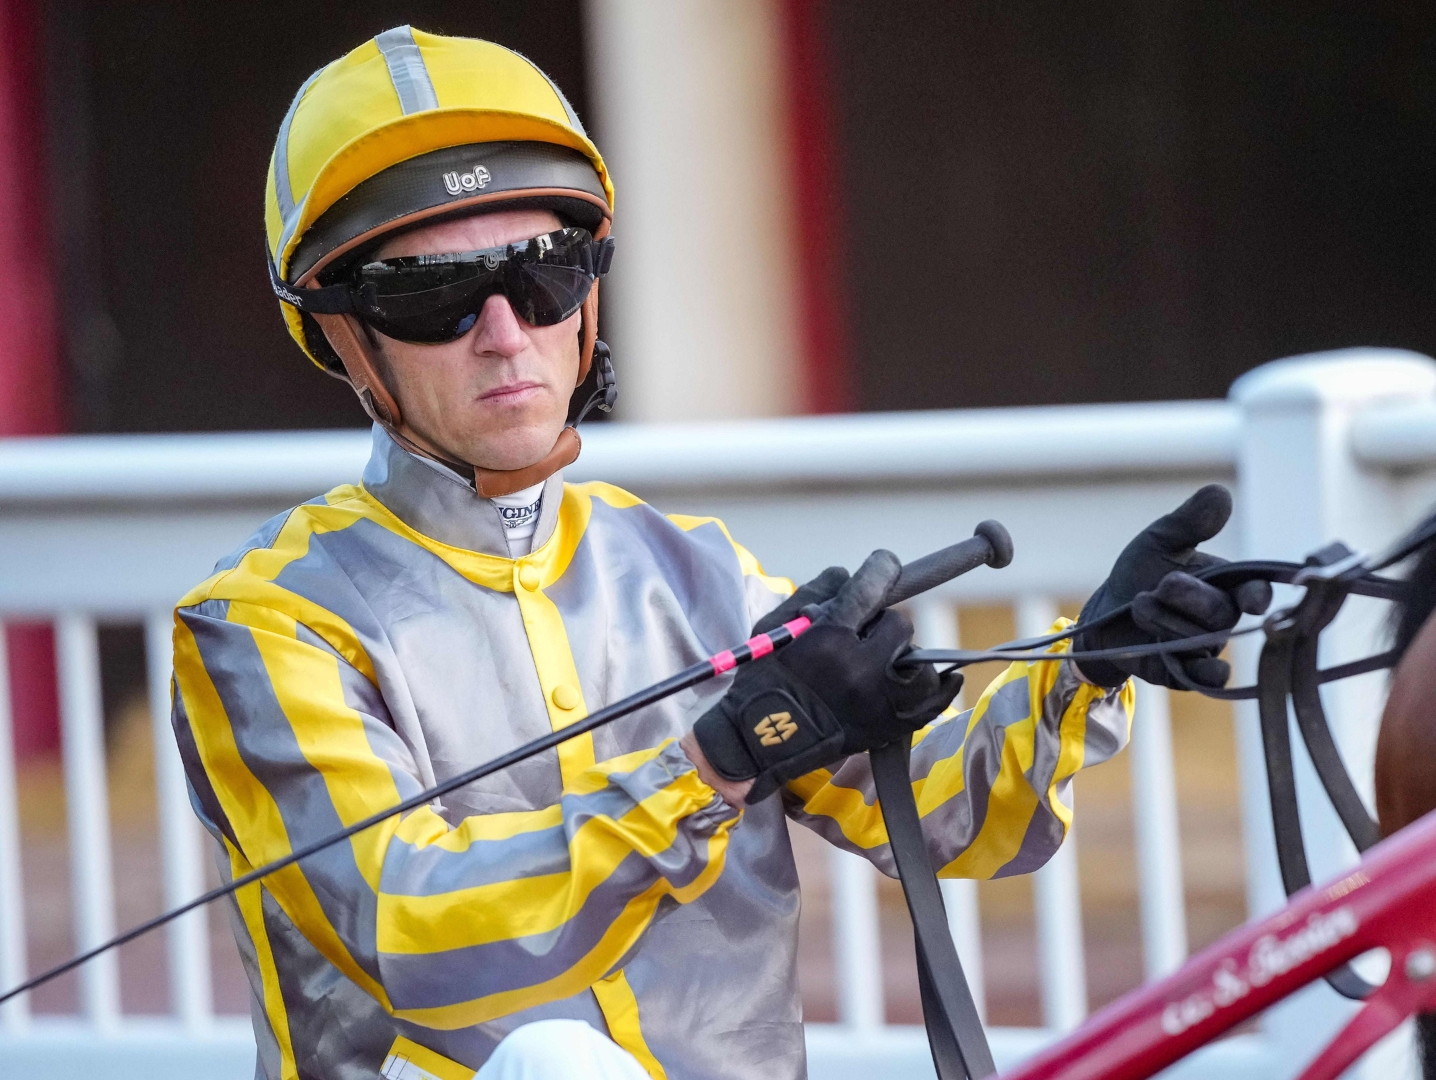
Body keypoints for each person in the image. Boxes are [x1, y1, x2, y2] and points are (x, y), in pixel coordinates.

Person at [169, 27, 1266, 1080]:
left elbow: (958, 821)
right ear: (344, 335)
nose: (505, 333)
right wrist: (715, 762)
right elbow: (415, 935)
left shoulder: (695, 572)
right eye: (434, 296)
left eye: (544, 274)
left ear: (587, 294)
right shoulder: (260, 628)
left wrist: (1086, 670)